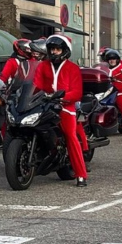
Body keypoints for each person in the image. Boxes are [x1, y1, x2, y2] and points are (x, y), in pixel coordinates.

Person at [34, 35, 88, 186]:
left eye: (57, 49)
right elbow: (36, 85)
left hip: (65, 106)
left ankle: (81, 174)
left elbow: (77, 92)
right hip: (45, 105)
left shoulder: (73, 68)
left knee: (71, 135)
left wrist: (63, 97)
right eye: (52, 49)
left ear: (64, 51)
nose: (54, 52)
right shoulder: (43, 65)